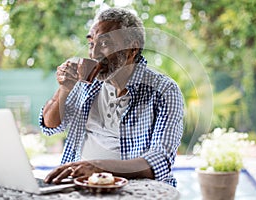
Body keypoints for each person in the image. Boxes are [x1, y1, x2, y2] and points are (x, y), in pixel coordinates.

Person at [39, 7, 184, 187]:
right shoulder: (86, 81)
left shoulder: (164, 90)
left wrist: (98, 167)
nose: (94, 53)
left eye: (105, 43)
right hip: (78, 185)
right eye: (92, 44)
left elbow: (160, 160)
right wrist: (64, 89)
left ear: (132, 49)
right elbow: (50, 126)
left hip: (135, 190)